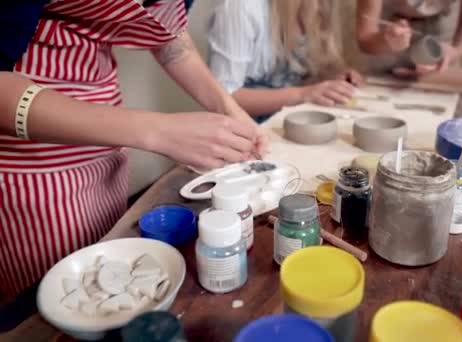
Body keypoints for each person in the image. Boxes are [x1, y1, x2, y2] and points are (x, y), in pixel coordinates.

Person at [0, 0, 266, 299]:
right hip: (32, 166)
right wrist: (159, 132)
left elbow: (169, 38)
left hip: (107, 137)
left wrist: (230, 110)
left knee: (115, 276)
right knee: (66, 296)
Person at [207, 0, 363, 121]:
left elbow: (293, 80)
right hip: (243, 131)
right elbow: (223, 97)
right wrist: (302, 94)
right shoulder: (242, 8)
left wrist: (327, 82)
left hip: (288, 121)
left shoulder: (315, 7)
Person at [356, 0, 462, 74]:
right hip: (389, 50)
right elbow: (365, 39)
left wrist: (455, 51)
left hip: (441, 50)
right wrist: (386, 41)